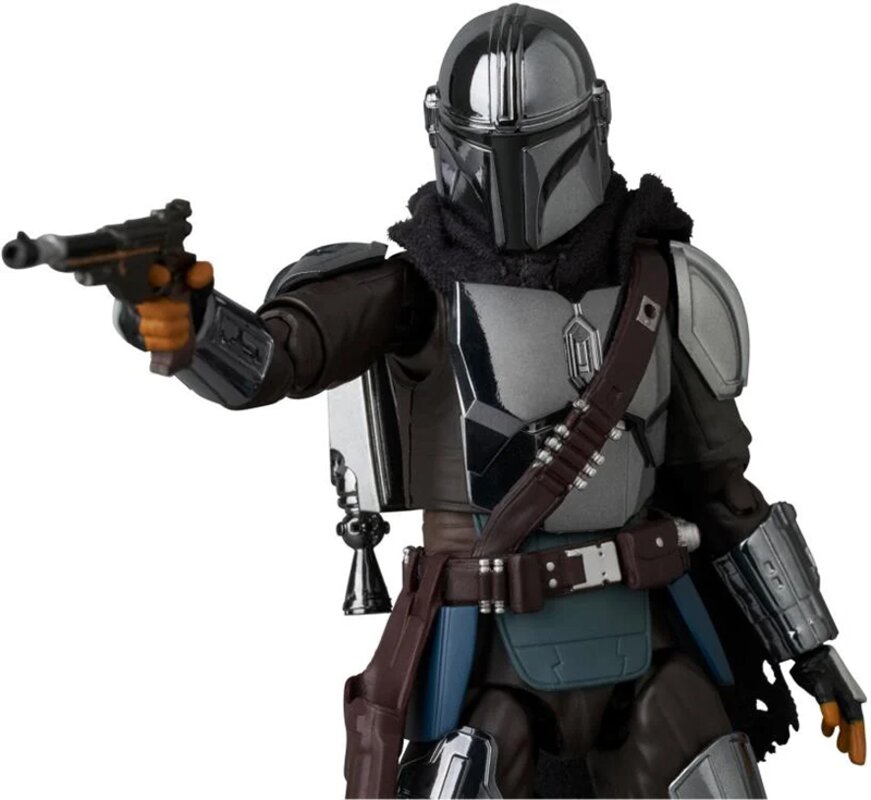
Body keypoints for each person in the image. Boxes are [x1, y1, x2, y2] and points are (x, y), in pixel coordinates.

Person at [110, 5, 864, 798]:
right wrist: (183, 321)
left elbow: (717, 488)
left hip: (647, 634)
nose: (514, 171)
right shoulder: (417, 288)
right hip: (484, 652)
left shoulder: (661, 281)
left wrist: (810, 650)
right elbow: (274, 359)